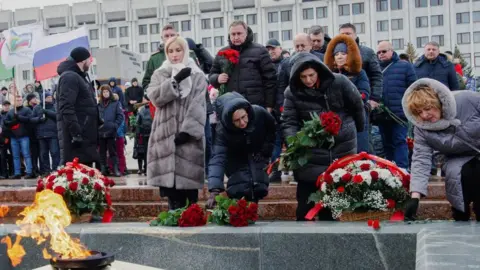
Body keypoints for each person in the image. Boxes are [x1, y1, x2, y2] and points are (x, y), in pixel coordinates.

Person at [282, 52, 364, 221]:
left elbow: (357, 105)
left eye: (311, 75)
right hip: (310, 151)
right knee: (305, 207)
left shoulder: (339, 82)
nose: (308, 80)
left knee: (332, 208)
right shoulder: (291, 92)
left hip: (341, 147)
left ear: (318, 71)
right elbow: (289, 122)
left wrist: (355, 128)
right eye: (303, 77)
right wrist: (294, 144)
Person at [402, 78, 480, 221]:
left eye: (427, 108)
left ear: (438, 102)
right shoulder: (422, 128)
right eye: (419, 112)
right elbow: (421, 159)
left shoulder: (468, 100)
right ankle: (460, 216)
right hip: (457, 160)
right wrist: (415, 197)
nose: (424, 115)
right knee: (460, 174)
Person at [146, 36, 207, 210]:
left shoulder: (198, 75)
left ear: (185, 51)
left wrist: (188, 131)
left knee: (189, 196)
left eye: (178, 50)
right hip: (164, 138)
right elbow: (155, 98)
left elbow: (198, 104)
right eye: (170, 51)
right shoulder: (160, 73)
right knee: (171, 195)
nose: (174, 55)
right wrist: (174, 81)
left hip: (188, 140)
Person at [207, 92, 275, 207]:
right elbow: (218, 158)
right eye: (236, 120)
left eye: (243, 117)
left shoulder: (258, 113)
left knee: (259, 186)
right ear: (230, 121)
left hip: (257, 154)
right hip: (235, 161)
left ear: (247, 112)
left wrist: (266, 149)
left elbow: (272, 128)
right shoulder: (222, 131)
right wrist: (214, 190)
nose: (242, 123)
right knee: (240, 187)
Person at [209, 20, 277, 111]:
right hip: (231, 104)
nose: (236, 37)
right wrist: (217, 78)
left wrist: (269, 105)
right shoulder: (222, 53)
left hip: (255, 104)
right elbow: (211, 75)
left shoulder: (260, 51)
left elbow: (270, 80)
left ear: (246, 33)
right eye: (233, 34)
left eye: (239, 33)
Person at [324, 34, 371, 154]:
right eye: (336, 54)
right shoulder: (328, 76)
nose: (339, 57)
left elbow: (364, 93)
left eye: (343, 54)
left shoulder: (359, 73)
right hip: (336, 118)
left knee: (359, 150)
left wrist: (355, 100)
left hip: (356, 116)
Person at [376, 41, 417, 169]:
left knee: (400, 142)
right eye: (378, 52)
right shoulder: (375, 68)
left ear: (392, 51)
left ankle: (402, 170)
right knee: (386, 144)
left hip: (399, 114)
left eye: (384, 51)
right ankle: (390, 171)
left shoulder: (405, 66)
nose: (381, 54)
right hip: (382, 115)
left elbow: (413, 88)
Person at [57, 47, 100, 167]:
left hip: (85, 137)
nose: (91, 62)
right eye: (89, 59)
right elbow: (66, 107)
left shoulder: (80, 77)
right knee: (78, 179)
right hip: (77, 140)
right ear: (82, 61)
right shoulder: (70, 77)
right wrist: (76, 133)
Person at [339, 23, 383, 109]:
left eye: (348, 34)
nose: (345, 36)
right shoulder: (333, 53)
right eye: (342, 34)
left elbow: (376, 76)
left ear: (355, 35)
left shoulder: (367, 52)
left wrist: (374, 98)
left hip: (363, 99)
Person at [142, 24, 198, 89]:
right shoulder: (154, 59)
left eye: (172, 35)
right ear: (162, 38)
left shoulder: (189, 54)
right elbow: (146, 83)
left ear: (177, 36)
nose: (169, 38)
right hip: (164, 97)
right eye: (166, 36)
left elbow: (198, 77)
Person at [265, 38, 286, 182]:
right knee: (275, 142)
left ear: (280, 49)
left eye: (273, 48)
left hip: (287, 109)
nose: (271, 51)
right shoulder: (266, 67)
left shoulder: (286, 64)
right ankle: (275, 171)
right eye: (268, 49)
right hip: (273, 110)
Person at [3, 95, 35, 179]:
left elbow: (30, 119)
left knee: (26, 154)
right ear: (14, 101)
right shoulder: (10, 112)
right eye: (17, 100)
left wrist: (19, 117)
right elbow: (6, 122)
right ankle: (17, 173)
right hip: (14, 137)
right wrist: (14, 121)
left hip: (24, 136)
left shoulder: (27, 110)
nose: (19, 101)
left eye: (20, 100)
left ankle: (29, 172)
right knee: (15, 156)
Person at [30, 92, 59, 176]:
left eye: (50, 97)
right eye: (48, 97)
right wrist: (39, 119)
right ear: (44, 98)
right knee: (43, 154)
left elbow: (57, 116)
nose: (50, 98)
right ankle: (46, 171)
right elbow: (31, 119)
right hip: (41, 135)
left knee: (54, 153)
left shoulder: (55, 106)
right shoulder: (37, 108)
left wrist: (46, 111)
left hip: (53, 134)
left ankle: (55, 169)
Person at [97, 85, 124, 177]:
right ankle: (103, 169)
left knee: (113, 152)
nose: (105, 93)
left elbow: (120, 116)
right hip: (101, 132)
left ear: (110, 92)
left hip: (111, 131)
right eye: (104, 92)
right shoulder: (99, 105)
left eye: (107, 92)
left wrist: (115, 125)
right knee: (102, 152)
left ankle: (116, 169)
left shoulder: (115, 103)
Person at [133, 95, 153, 176]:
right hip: (143, 133)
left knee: (147, 152)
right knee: (143, 152)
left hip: (148, 133)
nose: (143, 100)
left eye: (144, 99)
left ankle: (146, 169)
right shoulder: (141, 109)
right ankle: (143, 169)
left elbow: (138, 122)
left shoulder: (152, 108)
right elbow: (138, 122)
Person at [25, 93, 40, 176]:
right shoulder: (27, 109)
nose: (35, 100)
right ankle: (33, 169)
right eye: (33, 98)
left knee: (38, 153)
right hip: (31, 134)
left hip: (38, 133)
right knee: (33, 153)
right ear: (29, 100)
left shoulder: (37, 107)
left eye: (36, 98)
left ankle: (38, 168)